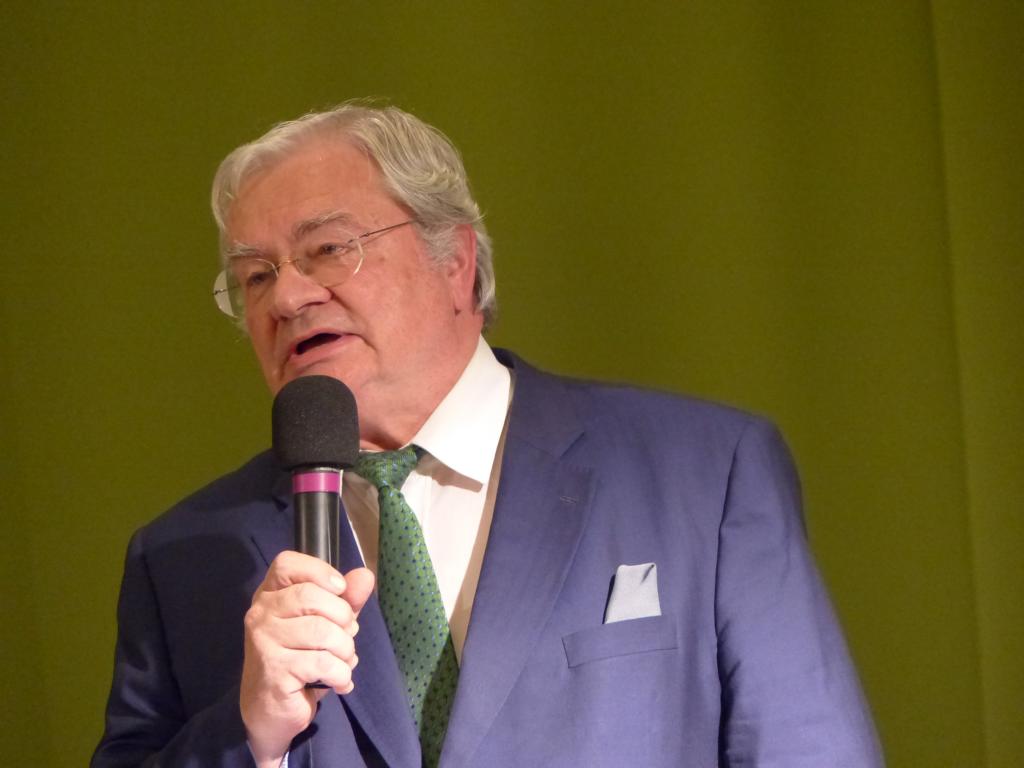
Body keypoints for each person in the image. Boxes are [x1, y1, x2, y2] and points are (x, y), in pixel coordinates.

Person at [93, 102, 884, 768]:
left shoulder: (705, 475)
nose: (288, 298)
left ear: (456, 262)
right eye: (256, 276)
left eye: (328, 249)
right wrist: (248, 735)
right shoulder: (183, 558)